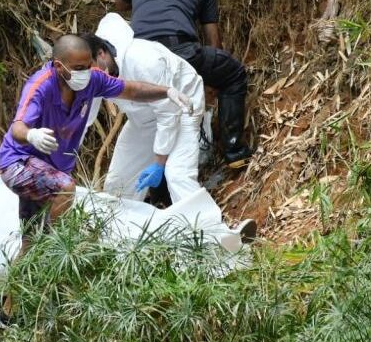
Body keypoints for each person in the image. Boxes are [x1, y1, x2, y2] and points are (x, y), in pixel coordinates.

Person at [83, 14, 256, 239]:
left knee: (177, 175)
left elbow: (168, 113)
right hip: (142, 120)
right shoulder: (91, 73)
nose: (89, 75)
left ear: (101, 53)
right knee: (118, 182)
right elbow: (83, 118)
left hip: (182, 107)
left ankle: (217, 237)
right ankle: (120, 238)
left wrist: (159, 162)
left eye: (90, 68)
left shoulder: (142, 59)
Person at [0, 34, 193, 232]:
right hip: (18, 162)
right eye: (78, 68)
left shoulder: (93, 80)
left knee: (31, 236)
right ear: (59, 66)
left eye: (88, 66)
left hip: (49, 169)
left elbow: (132, 90)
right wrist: (32, 135)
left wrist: (167, 92)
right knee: (64, 189)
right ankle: (56, 244)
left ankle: (38, 247)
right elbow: (17, 128)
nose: (85, 73)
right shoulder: (41, 85)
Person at [115, 0, 251, 168]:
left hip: (136, 58)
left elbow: (119, 7)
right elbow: (213, 41)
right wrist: (210, 81)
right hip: (179, 50)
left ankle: (157, 183)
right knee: (233, 74)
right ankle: (235, 152)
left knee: (155, 115)